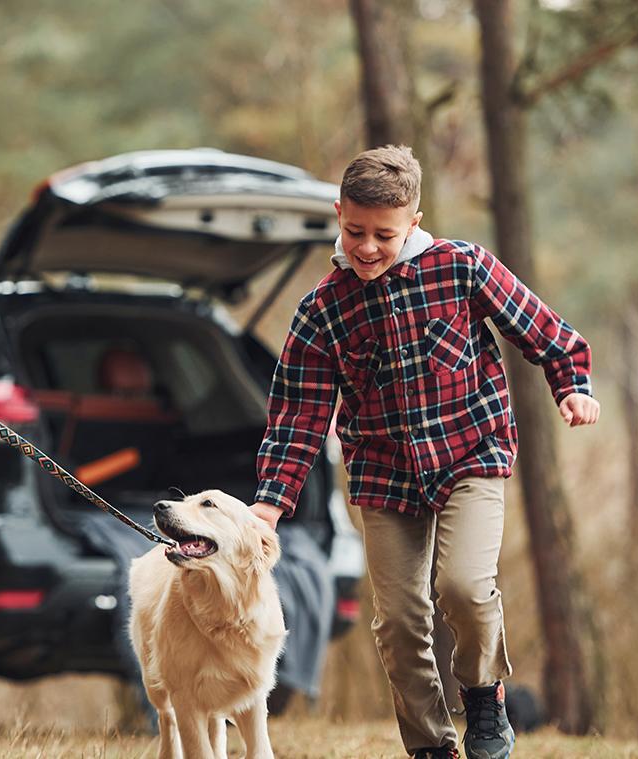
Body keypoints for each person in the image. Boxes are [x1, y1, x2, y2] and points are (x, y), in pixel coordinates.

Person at [250, 145, 600, 759]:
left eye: (383, 235)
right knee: (400, 620)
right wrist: (269, 505)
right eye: (354, 230)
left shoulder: (461, 267)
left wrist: (572, 386)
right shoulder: (322, 311)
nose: (365, 247)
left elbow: (542, 329)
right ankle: (430, 746)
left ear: (413, 222)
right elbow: (298, 416)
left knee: (464, 586)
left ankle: (485, 698)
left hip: (472, 452)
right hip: (385, 473)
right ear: (338, 213)